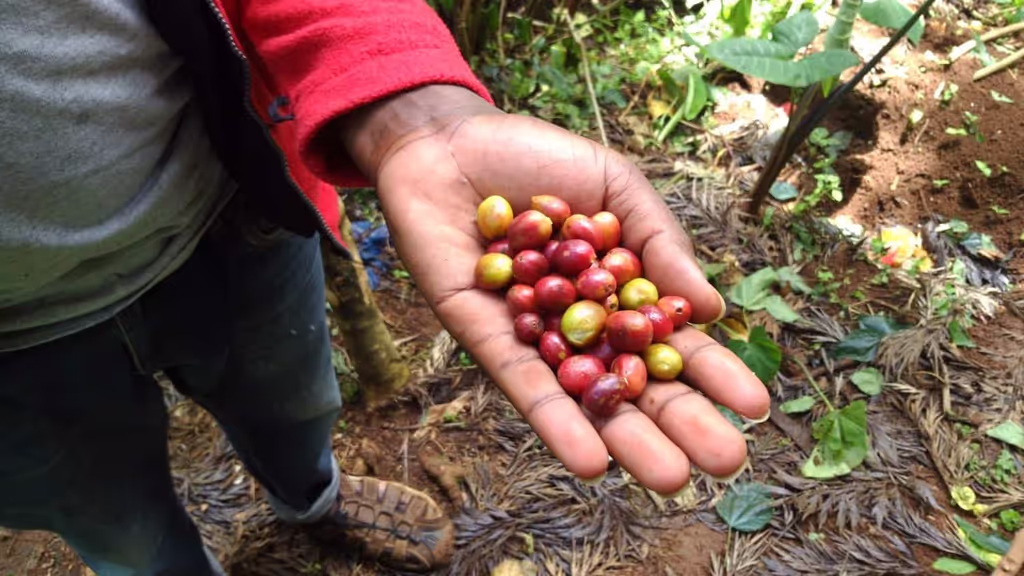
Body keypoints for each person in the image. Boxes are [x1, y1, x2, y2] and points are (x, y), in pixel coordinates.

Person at [0, 0, 771, 574]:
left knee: (294, 401)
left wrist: (409, 105)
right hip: (14, 342)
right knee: (109, 519)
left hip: (230, 209)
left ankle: (313, 497)